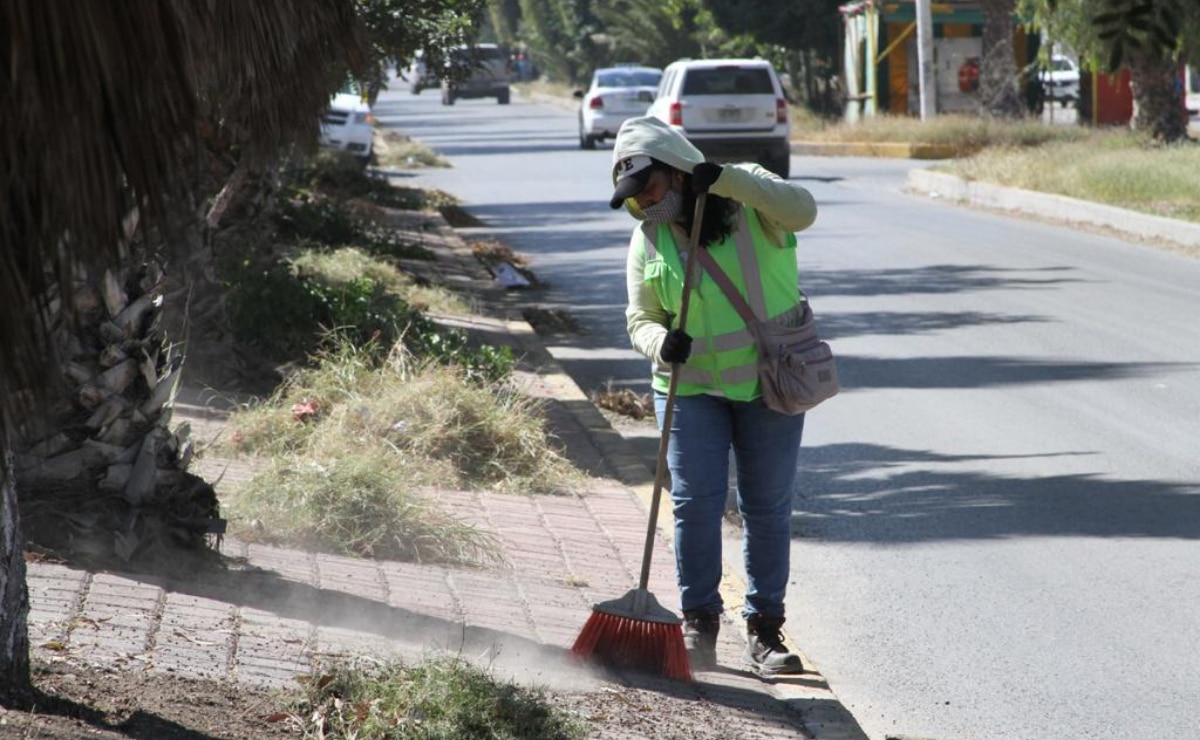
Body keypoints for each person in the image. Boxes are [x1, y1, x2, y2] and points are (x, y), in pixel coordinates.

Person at [607, 116, 818, 675]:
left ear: (677, 173)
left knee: (766, 507)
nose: (644, 205)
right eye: (634, 197)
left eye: (649, 190)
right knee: (695, 504)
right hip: (690, 388)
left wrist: (723, 180)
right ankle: (698, 622)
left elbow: (804, 210)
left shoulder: (750, 198)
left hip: (767, 382)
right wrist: (659, 343)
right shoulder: (648, 235)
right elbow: (639, 317)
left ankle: (765, 631)